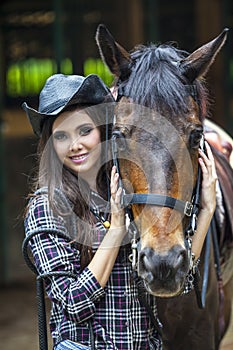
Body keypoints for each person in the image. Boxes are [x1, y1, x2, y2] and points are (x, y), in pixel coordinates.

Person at [22, 73, 217, 350]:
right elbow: (74, 305)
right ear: (51, 145)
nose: (75, 144)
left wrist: (207, 210)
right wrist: (115, 230)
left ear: (102, 132)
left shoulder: (125, 195)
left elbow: (178, 284)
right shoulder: (47, 207)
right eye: (62, 136)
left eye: (84, 131)